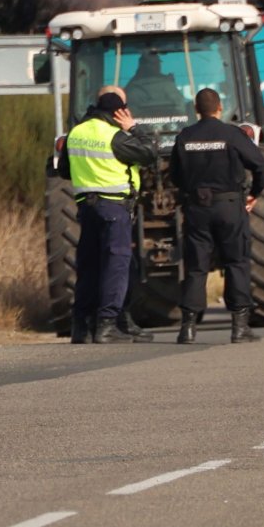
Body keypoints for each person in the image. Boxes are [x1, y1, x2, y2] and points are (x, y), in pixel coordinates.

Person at [171, 88, 264, 345]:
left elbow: (175, 175)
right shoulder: (231, 134)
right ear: (219, 108)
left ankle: (188, 329)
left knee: (196, 267)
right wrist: (254, 193)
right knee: (236, 262)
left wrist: (190, 191)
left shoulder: (185, 136)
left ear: (196, 110)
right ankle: (239, 328)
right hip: (229, 206)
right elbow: (260, 165)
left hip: (196, 208)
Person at [65, 85, 157, 344]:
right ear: (119, 112)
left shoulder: (76, 133)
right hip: (113, 208)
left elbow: (63, 169)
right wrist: (134, 128)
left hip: (86, 206)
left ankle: (80, 327)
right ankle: (108, 324)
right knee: (117, 264)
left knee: (89, 265)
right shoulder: (114, 136)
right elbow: (149, 152)